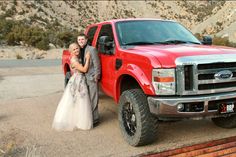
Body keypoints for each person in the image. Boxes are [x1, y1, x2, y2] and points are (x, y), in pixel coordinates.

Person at [52, 43, 93, 131]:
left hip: (80, 80)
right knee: (80, 101)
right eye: (74, 49)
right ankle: (78, 122)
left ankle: (78, 120)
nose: (76, 50)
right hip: (77, 82)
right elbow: (84, 70)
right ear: (71, 51)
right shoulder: (74, 60)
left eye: (77, 48)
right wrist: (88, 58)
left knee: (79, 101)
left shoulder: (77, 58)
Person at [77, 33, 101, 125]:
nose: (81, 41)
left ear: (86, 40)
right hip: (82, 78)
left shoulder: (91, 49)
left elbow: (97, 64)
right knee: (85, 99)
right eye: (79, 40)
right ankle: (87, 117)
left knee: (93, 98)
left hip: (91, 77)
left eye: (82, 39)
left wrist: (96, 76)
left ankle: (95, 119)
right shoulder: (78, 50)